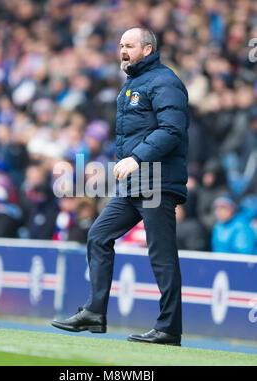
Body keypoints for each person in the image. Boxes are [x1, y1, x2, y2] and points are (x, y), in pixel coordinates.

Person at [51, 27, 189, 347]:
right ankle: (95, 312)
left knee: (161, 255)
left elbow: (172, 130)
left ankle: (169, 328)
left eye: (129, 45)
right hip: (134, 181)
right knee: (99, 235)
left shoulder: (165, 81)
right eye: (120, 45)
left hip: (157, 180)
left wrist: (137, 158)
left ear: (148, 49)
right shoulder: (133, 83)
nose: (122, 50)